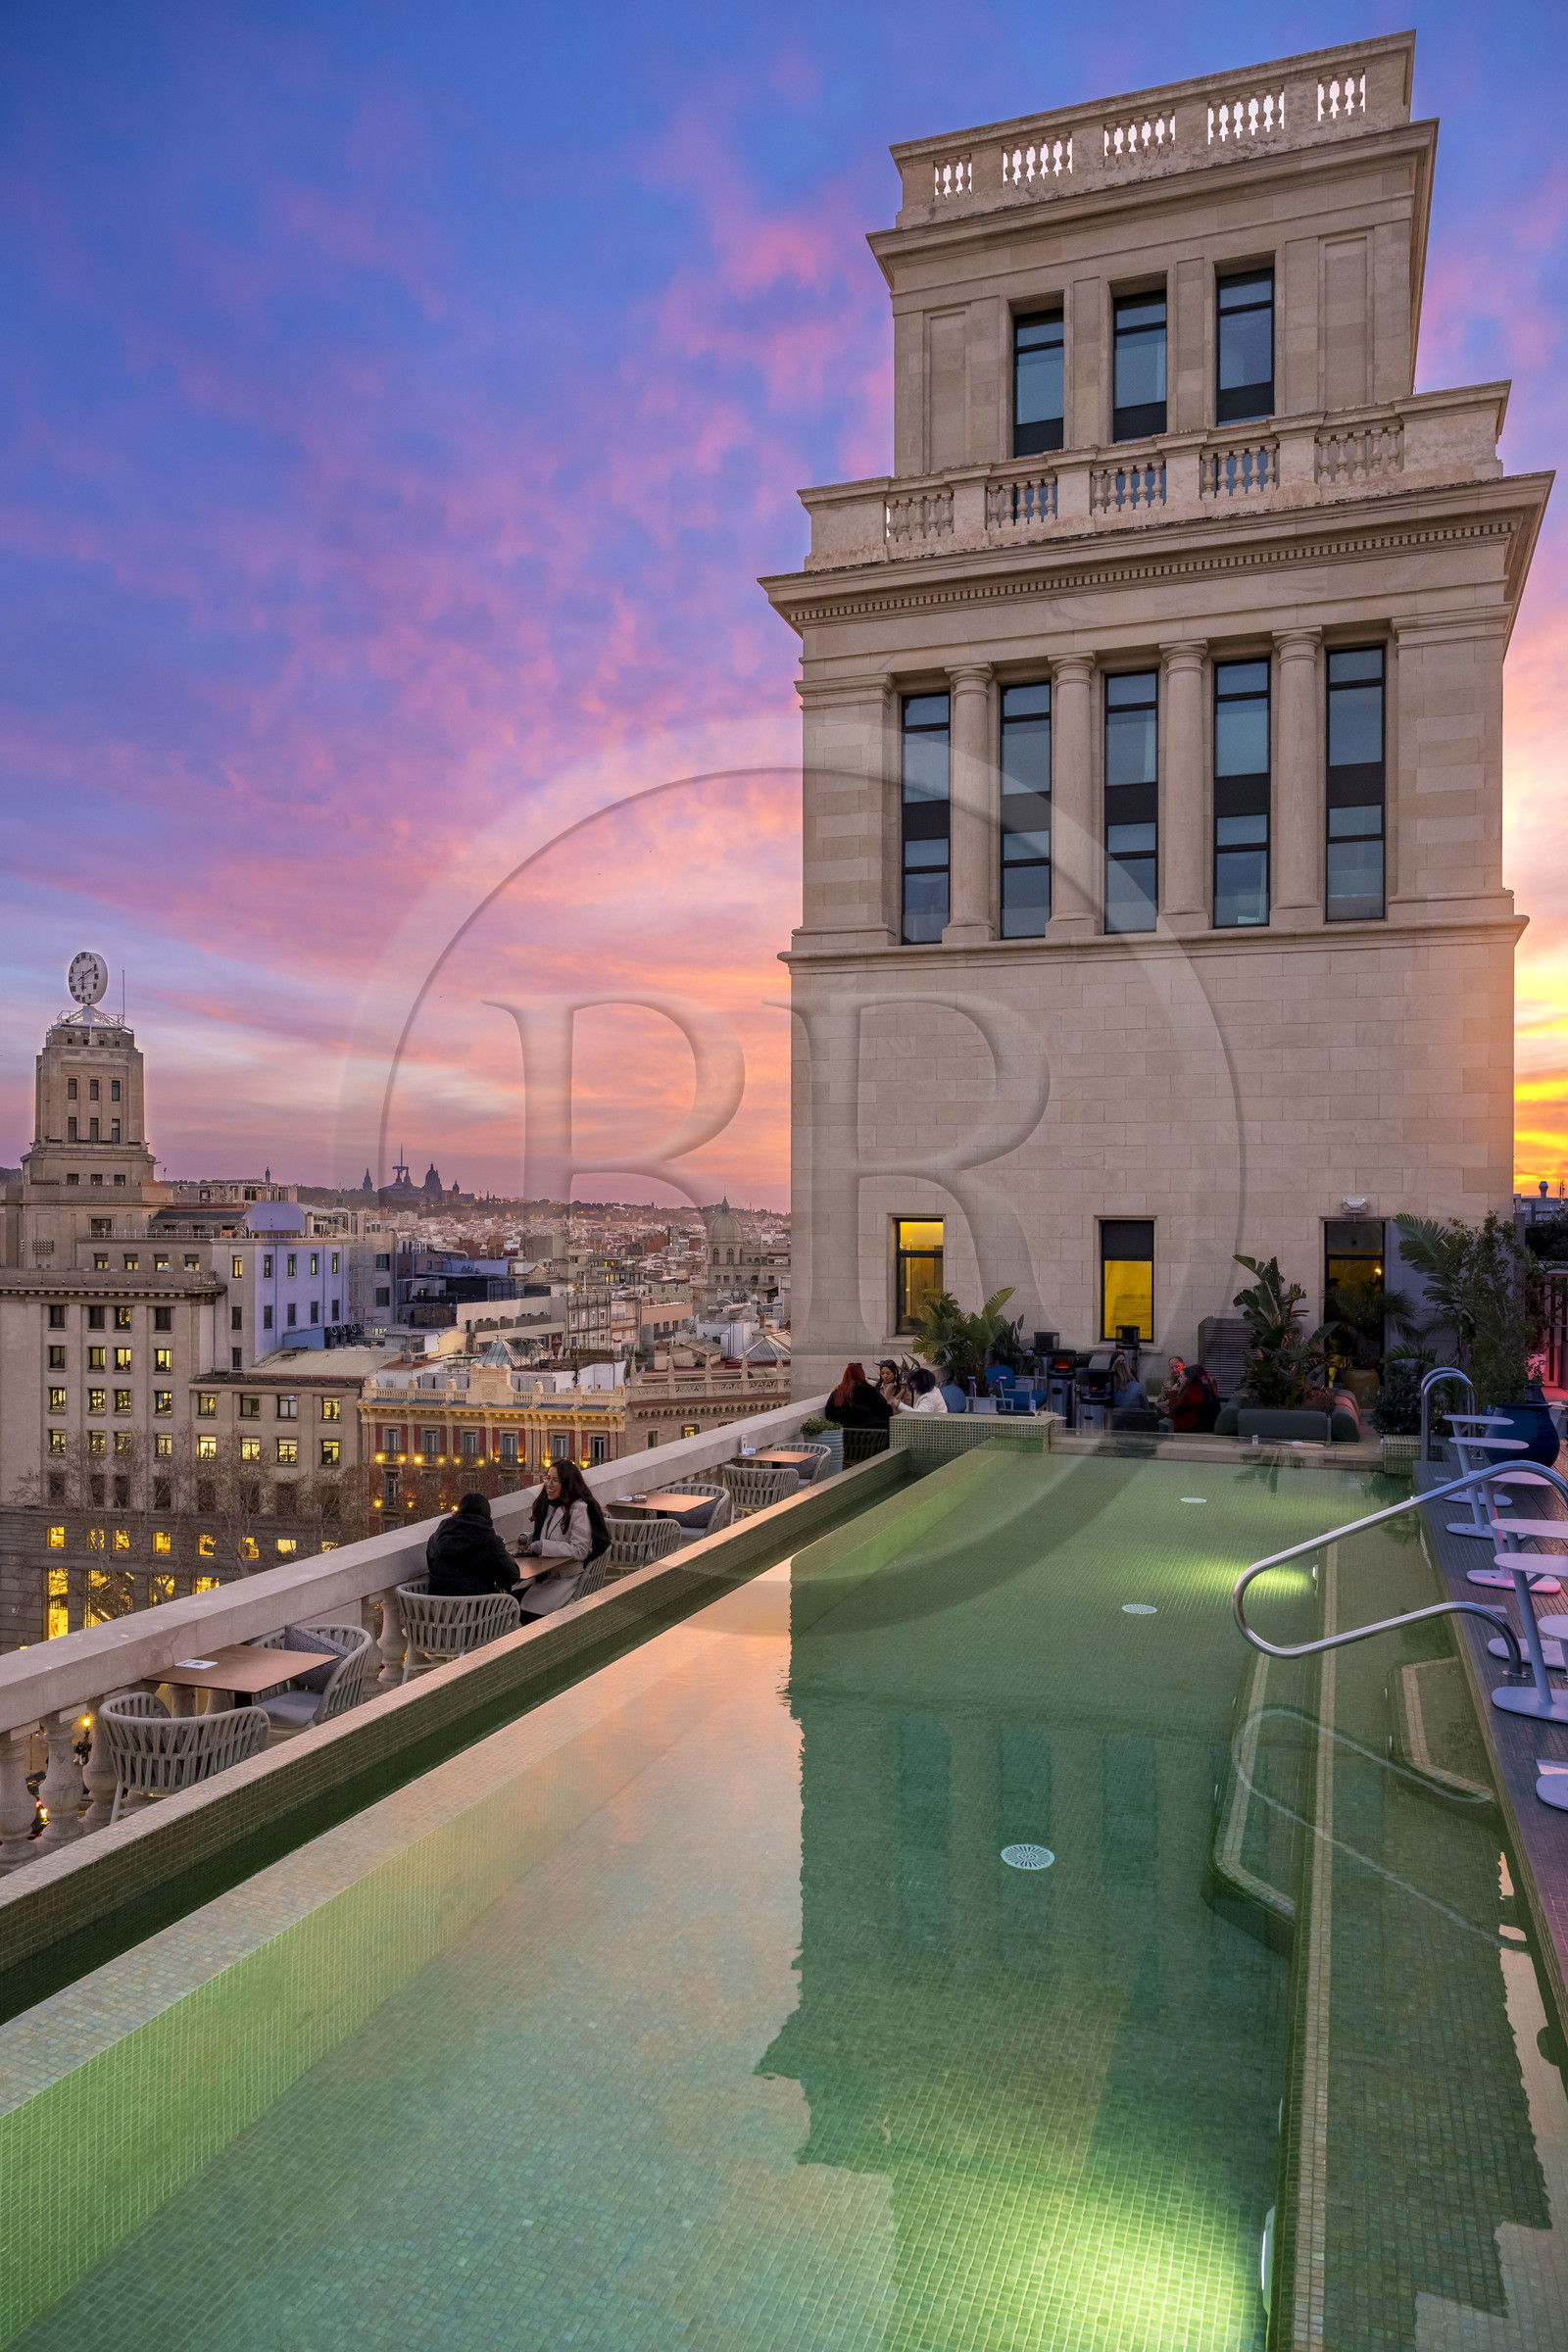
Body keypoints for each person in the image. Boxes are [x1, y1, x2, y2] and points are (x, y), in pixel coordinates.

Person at [514, 1460, 611, 1621]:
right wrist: (529, 1538)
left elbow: (580, 1550)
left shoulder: (579, 1509)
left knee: (521, 1608)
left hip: (565, 1579)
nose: (548, 1484)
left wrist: (543, 1546)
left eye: (555, 1480)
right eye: (547, 1478)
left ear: (567, 1483)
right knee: (511, 1599)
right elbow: (553, 1536)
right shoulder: (551, 1505)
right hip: (546, 1576)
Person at [425, 1490, 518, 1597]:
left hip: (438, 1609)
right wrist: (505, 1553)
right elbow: (513, 1575)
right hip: (476, 1609)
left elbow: (431, 1566)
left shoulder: (435, 1538)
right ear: (486, 1515)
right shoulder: (489, 1541)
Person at [823, 1362, 894, 1433]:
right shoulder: (871, 1392)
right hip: (871, 1438)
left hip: (844, 1437)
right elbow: (886, 1410)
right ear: (862, 1375)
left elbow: (829, 1413)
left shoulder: (838, 1393)